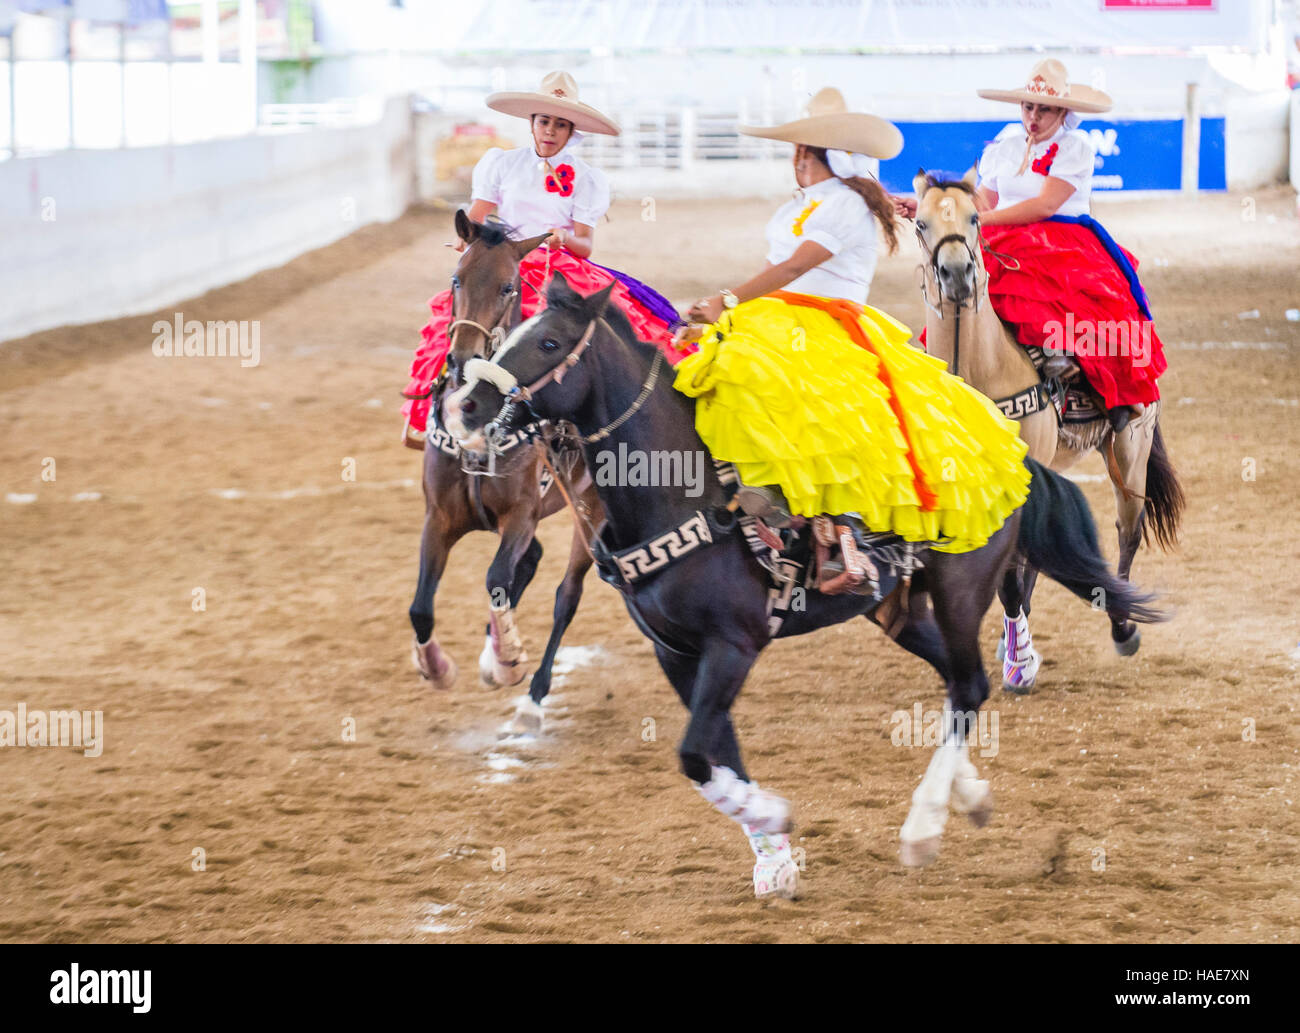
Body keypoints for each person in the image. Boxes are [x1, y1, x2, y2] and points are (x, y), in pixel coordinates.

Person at [673, 88, 1031, 569]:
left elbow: (794, 267)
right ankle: (747, 497)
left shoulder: (845, 205)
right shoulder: (801, 206)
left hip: (826, 321)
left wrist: (728, 299)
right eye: (796, 150)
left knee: (782, 389)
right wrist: (726, 313)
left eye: (807, 151)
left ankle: (837, 531)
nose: (796, 160)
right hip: (777, 314)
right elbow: (772, 268)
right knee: (713, 366)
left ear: (833, 158)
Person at [401, 71, 681, 449]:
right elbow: (479, 215)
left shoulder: (586, 178)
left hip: (556, 265)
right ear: (532, 123)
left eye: (560, 124)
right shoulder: (501, 163)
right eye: (544, 121)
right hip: (505, 261)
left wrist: (564, 236)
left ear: (571, 131)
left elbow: (585, 245)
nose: (550, 130)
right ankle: (433, 414)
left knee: (584, 332)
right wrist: (466, 239)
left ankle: (571, 420)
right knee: (461, 319)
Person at [973, 59, 1167, 431]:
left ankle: (1095, 388)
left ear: (1062, 111)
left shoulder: (1074, 147)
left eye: (1043, 109)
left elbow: (1045, 205)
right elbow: (984, 200)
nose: (1033, 117)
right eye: (1028, 107)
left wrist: (980, 220)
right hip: (1002, 236)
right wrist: (941, 209)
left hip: (1060, 240)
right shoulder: (1005, 143)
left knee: (1087, 308)